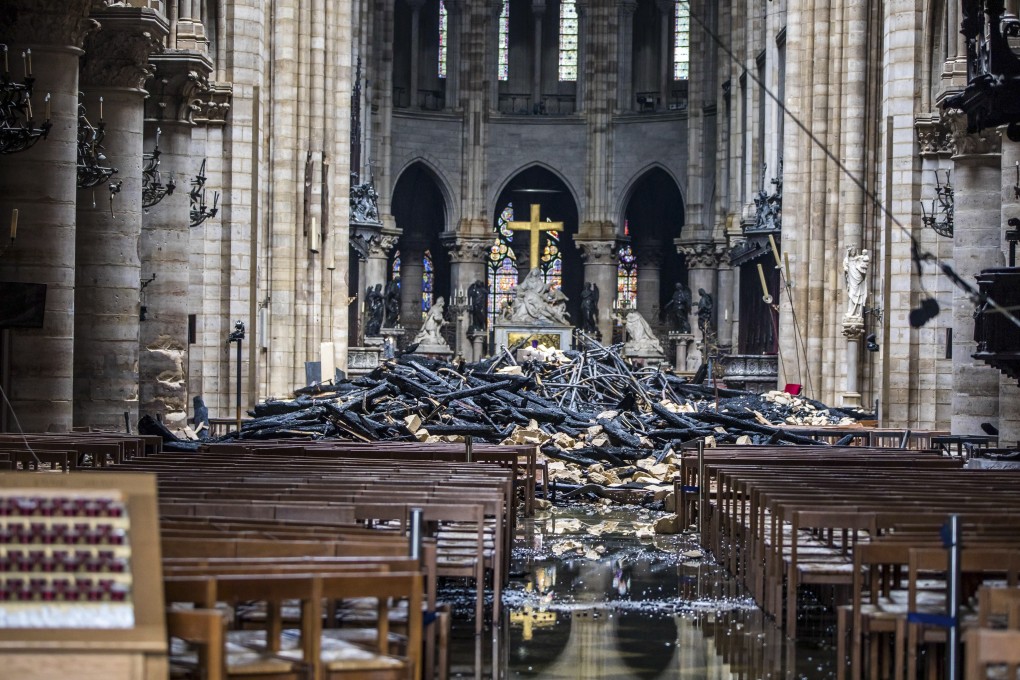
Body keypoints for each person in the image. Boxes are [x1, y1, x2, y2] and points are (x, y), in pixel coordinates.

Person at [843, 246, 870, 319]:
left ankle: (858, 312)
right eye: (852, 251)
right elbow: (845, 265)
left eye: (854, 251)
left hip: (858, 277)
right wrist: (846, 268)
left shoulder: (858, 258)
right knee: (851, 294)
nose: (853, 252)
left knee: (858, 294)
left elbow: (864, 265)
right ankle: (851, 312)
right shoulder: (847, 259)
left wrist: (861, 267)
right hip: (851, 278)